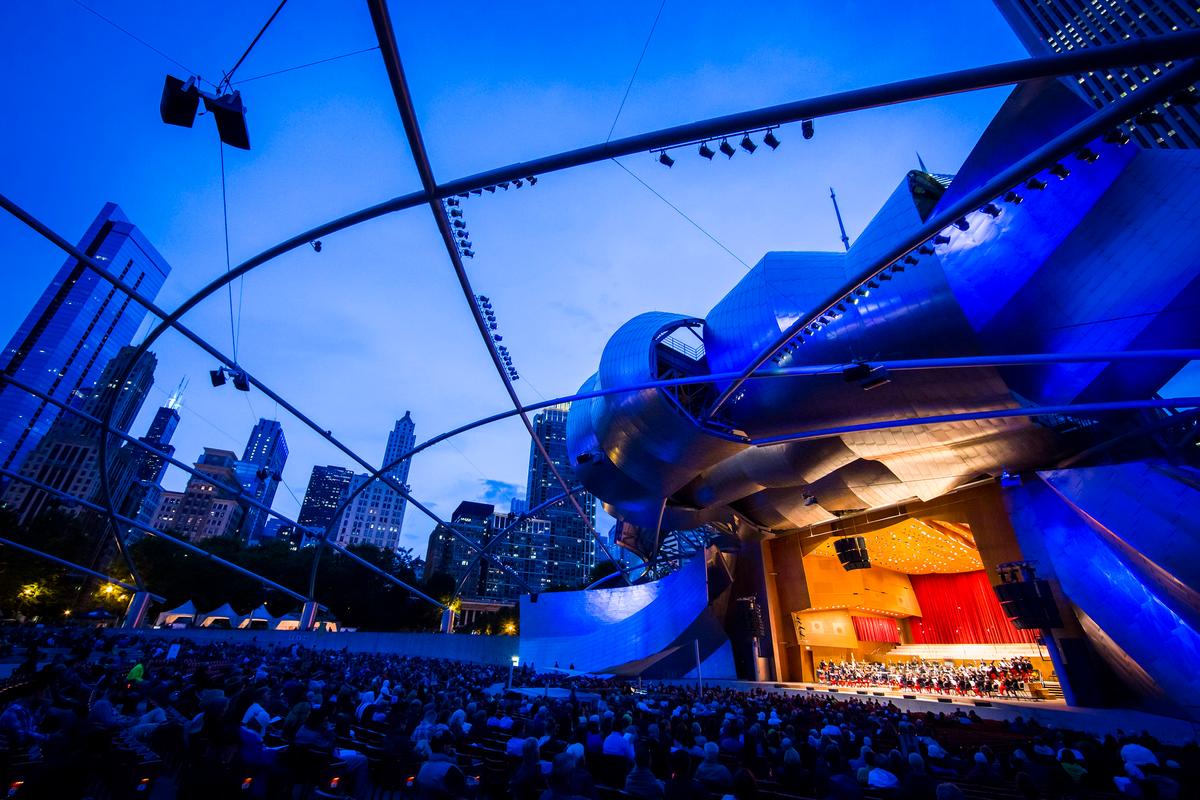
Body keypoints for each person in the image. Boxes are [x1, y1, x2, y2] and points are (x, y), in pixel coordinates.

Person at [415, 729, 467, 800]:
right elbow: (461, 790)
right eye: (450, 745)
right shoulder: (451, 770)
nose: (452, 748)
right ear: (445, 747)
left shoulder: (423, 767)